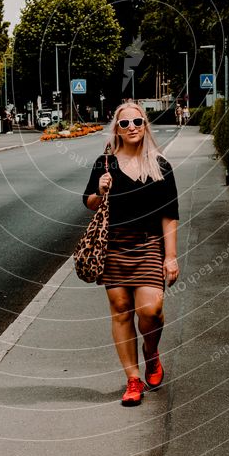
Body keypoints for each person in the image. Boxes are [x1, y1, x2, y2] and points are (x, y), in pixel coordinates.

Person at [83, 102, 180, 407]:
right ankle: (132, 379)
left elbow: (170, 214)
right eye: (125, 124)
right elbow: (89, 203)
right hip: (114, 245)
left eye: (137, 121)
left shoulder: (160, 164)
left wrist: (171, 256)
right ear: (117, 129)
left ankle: (151, 354)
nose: (132, 127)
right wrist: (100, 190)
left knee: (150, 311)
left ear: (145, 124)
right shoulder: (105, 163)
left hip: (150, 244)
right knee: (121, 308)